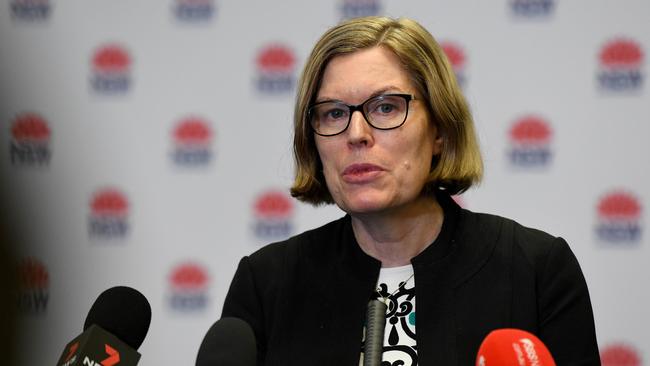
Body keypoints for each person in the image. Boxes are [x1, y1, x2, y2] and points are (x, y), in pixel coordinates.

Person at [222, 16, 600, 365]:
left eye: (386, 107)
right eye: (334, 113)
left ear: (439, 129)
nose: (356, 134)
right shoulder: (267, 283)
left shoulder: (535, 270)